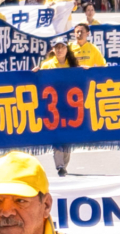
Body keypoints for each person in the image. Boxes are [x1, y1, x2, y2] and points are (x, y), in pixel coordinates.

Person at [37, 20, 106, 176]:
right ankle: (59, 165)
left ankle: (63, 165)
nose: (60, 50)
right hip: (52, 106)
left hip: (70, 105)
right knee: (56, 136)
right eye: (57, 47)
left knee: (67, 137)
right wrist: (35, 72)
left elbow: (99, 70)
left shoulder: (73, 65)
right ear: (53, 50)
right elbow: (38, 80)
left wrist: (88, 72)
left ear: (66, 50)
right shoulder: (47, 65)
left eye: (62, 47)